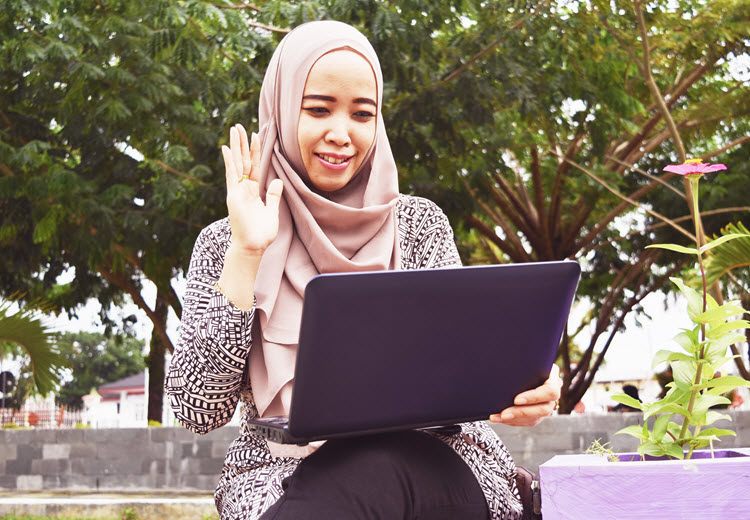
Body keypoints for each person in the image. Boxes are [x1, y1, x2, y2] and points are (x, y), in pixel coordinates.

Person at [166, 20, 562, 520]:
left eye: (362, 114)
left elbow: (467, 362)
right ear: (283, 110)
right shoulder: (227, 241)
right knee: (360, 477)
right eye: (318, 109)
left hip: (440, 464)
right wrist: (247, 253)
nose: (341, 134)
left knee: (380, 463)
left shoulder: (417, 225)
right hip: (280, 472)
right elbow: (198, 409)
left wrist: (527, 388)